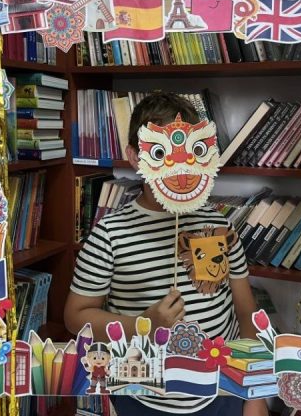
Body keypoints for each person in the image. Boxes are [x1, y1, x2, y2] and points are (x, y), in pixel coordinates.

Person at [65, 93, 268, 416]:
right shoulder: (110, 234)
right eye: (160, 153)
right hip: (143, 396)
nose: (179, 166)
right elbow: (76, 316)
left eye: (192, 152)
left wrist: (255, 392)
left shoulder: (219, 226)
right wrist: (142, 324)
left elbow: (246, 312)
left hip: (222, 390)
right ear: (134, 157)